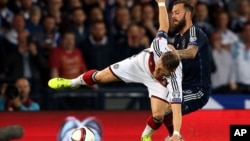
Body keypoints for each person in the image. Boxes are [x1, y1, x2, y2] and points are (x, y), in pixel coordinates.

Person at [48, 0, 183, 141]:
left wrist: (176, 134)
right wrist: (161, 3)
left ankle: (145, 136)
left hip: (158, 83)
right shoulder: (159, 47)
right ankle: (73, 82)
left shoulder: (175, 80)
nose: (157, 70)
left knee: (158, 115)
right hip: (139, 65)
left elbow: (177, 109)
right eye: (158, 66)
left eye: (162, 71)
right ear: (160, 59)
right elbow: (164, 26)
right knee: (99, 77)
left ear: (170, 72)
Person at [164, 0, 211, 139]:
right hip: (182, 86)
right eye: (172, 13)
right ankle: (175, 137)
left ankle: (175, 137)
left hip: (198, 90)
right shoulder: (178, 38)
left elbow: (191, 53)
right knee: (161, 109)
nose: (173, 16)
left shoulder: (195, 32)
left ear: (188, 14)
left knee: (169, 106)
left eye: (177, 13)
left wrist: (173, 53)